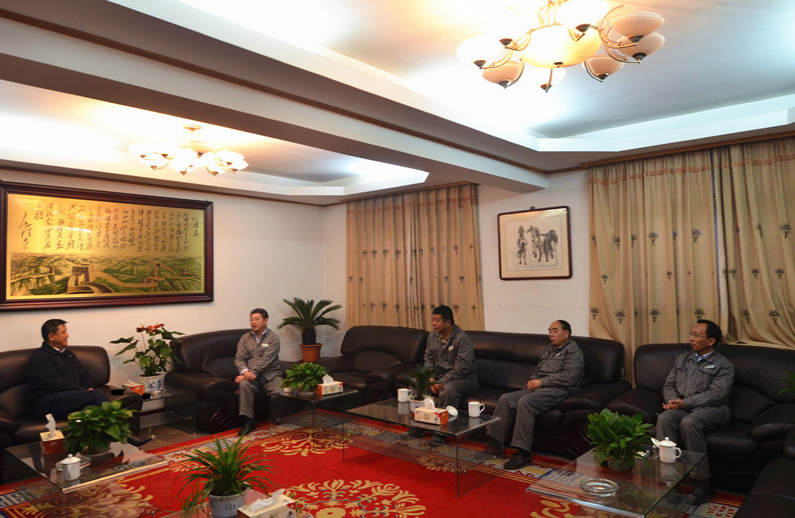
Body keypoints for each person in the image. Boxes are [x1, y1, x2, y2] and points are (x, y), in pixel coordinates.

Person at [487, 320, 584, 470]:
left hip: (558, 389)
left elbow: (569, 377)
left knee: (526, 402)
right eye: (550, 331)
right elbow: (538, 369)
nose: (551, 334)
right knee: (506, 398)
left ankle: (523, 454)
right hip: (539, 387)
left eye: (555, 331)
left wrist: (542, 382)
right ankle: (496, 444)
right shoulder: (549, 348)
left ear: (566, 333)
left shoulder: (573, 351)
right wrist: (532, 380)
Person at [657, 319, 734, 503]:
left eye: (696, 335)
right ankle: (670, 479)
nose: (691, 338)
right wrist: (672, 402)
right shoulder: (683, 359)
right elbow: (669, 385)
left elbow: (717, 394)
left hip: (713, 408)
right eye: (691, 334)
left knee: (690, 422)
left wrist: (684, 403)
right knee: (665, 418)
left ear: (711, 341)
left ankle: (701, 482)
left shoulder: (724, 365)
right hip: (684, 406)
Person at [413, 305, 478, 445]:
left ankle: (441, 433)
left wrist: (441, 382)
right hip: (440, 376)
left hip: (465, 378)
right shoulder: (432, 335)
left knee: (448, 390)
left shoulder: (462, 339)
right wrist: (430, 377)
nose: (433, 323)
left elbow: (462, 368)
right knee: (417, 383)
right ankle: (418, 427)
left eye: (437, 320)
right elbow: (428, 358)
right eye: (432, 320)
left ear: (447, 322)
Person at [28, 319, 111, 419]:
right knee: (96, 395)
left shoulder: (68, 354)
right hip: (47, 403)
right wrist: (85, 391)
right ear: (51, 337)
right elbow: (55, 384)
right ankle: (116, 424)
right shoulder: (41, 357)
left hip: (69, 398)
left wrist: (90, 388)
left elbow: (84, 375)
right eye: (63, 332)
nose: (67, 335)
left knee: (91, 410)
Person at [234, 308, 283, 436]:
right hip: (250, 376)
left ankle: (275, 416)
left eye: (257, 319)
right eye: (251, 320)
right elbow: (239, 358)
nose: (253, 322)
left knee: (278, 392)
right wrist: (245, 372)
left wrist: (249, 373)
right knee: (244, 385)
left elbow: (266, 361)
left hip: (270, 374)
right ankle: (248, 421)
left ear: (265, 321)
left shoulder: (273, 338)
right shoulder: (245, 338)